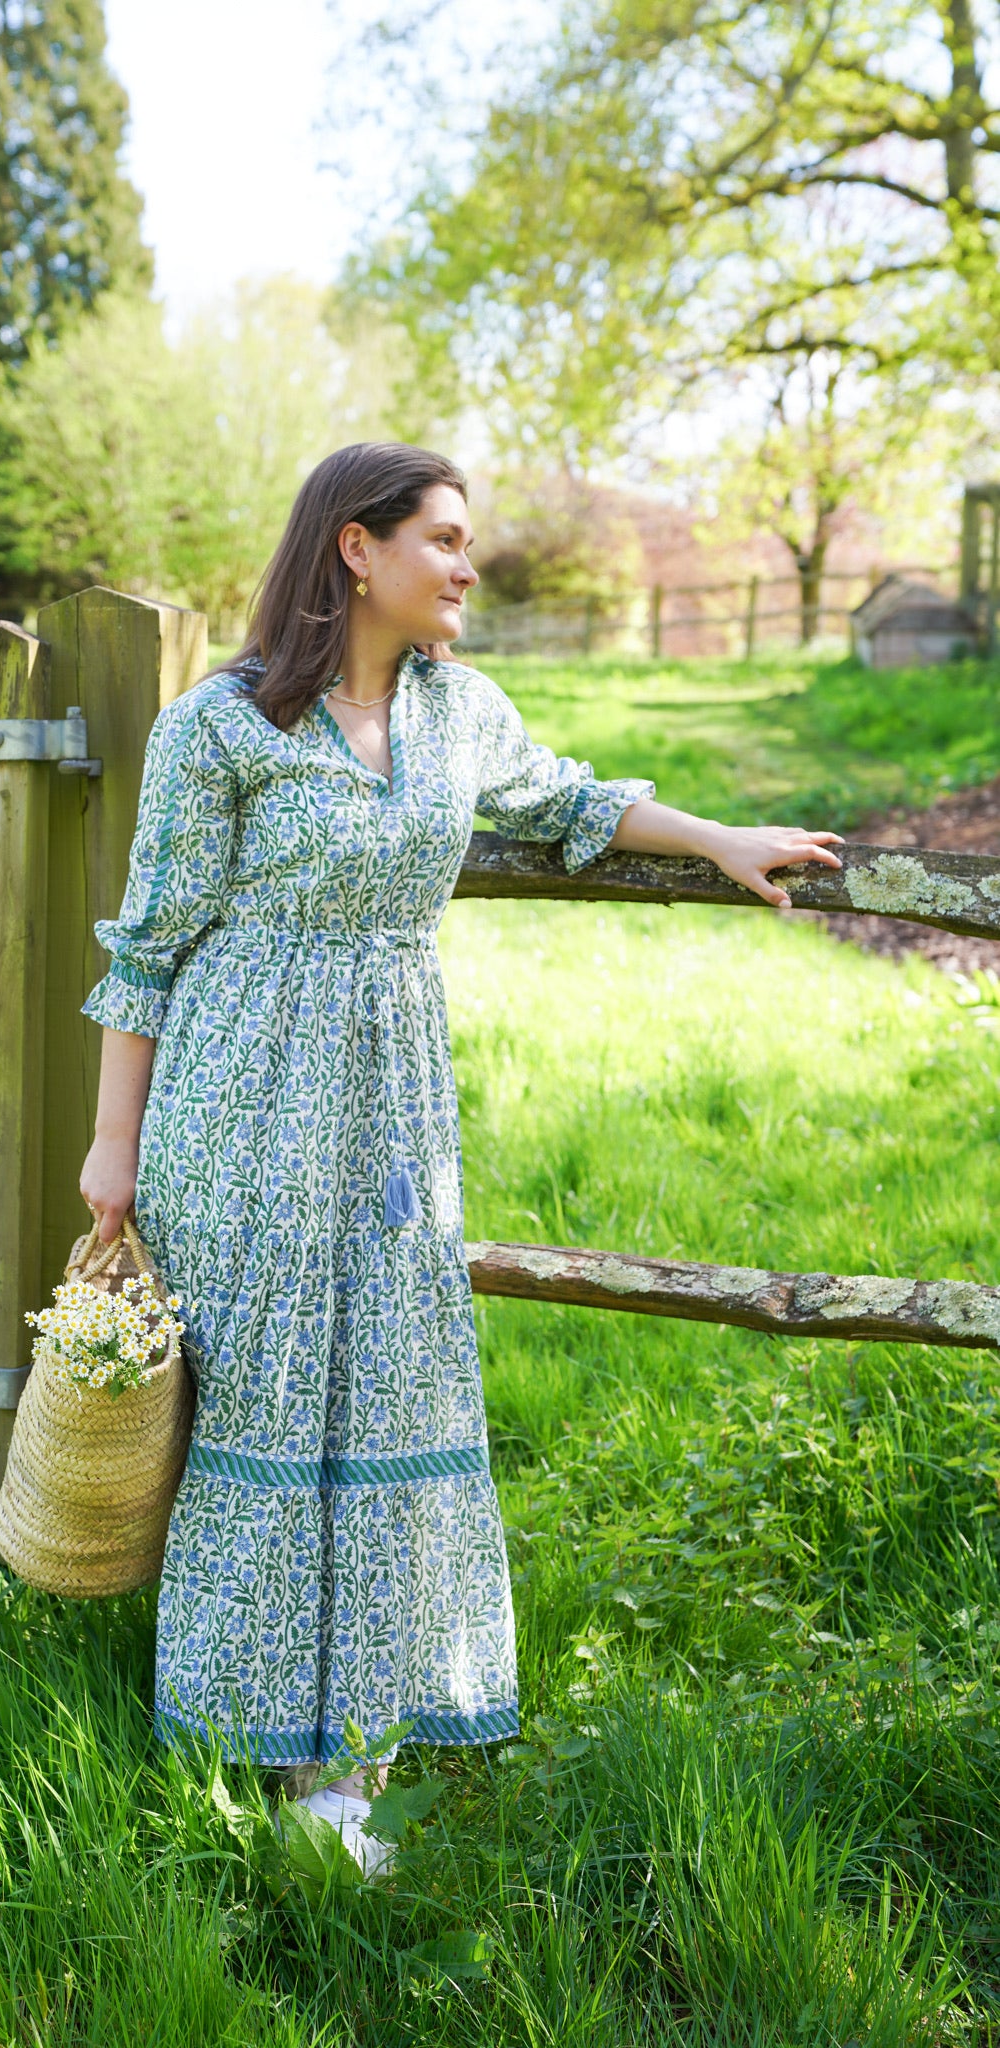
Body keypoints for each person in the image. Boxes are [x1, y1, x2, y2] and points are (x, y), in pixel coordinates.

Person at [77, 442, 842, 1873]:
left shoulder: (459, 711)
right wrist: (112, 1152)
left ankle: (352, 1764)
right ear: (353, 551)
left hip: (391, 1118)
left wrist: (720, 834)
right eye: (441, 538)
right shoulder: (219, 730)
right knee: (266, 1401)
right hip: (238, 1109)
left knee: (386, 1393)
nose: (466, 565)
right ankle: (260, 1744)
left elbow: (572, 801)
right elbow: (148, 950)